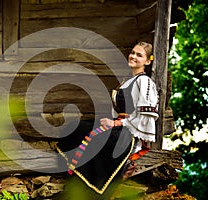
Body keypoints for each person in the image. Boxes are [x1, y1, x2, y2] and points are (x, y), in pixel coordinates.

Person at [55, 41, 159, 196]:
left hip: (128, 133)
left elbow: (145, 116)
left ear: (148, 61)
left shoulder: (144, 82)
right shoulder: (127, 81)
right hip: (119, 126)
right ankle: (74, 177)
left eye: (139, 55)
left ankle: (90, 188)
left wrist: (117, 122)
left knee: (93, 137)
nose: (133, 56)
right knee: (76, 127)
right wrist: (112, 122)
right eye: (132, 52)